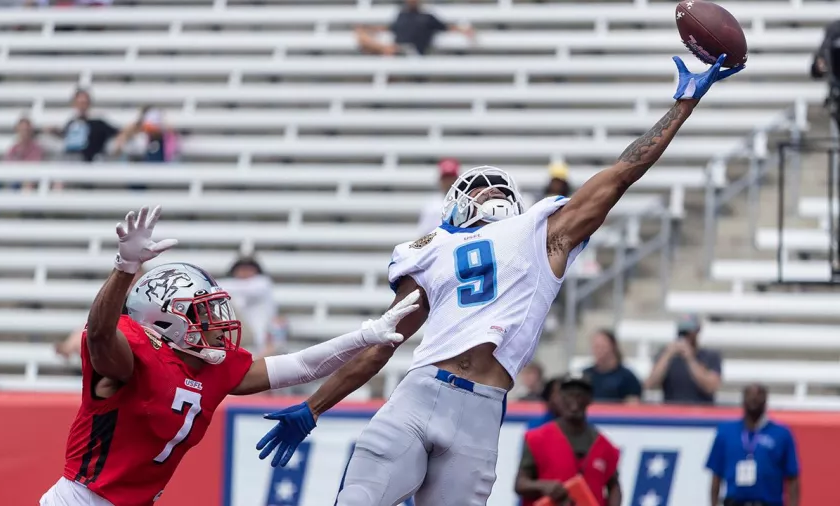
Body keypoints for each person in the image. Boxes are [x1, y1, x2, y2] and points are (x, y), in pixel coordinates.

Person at [256, 54, 744, 506]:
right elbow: (383, 340)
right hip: (426, 394)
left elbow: (620, 176)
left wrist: (684, 104)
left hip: (475, 410)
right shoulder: (479, 242)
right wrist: (313, 407)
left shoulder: (530, 234)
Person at [39, 205, 421, 506]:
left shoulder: (212, 368)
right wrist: (125, 269)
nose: (217, 322)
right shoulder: (133, 352)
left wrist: (365, 334)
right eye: (202, 312)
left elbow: (302, 365)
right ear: (165, 319)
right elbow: (101, 335)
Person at [515, 374, 621, 506]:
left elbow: (614, 486)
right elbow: (520, 484)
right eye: (569, 394)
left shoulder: (604, 445)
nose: (574, 400)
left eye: (579, 395)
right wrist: (544, 487)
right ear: (559, 399)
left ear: (589, 399)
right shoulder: (537, 439)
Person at [705, 384, 800, 506]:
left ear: (765, 400)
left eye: (758, 395)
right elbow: (716, 476)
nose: (754, 399)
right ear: (743, 399)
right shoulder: (726, 432)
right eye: (749, 395)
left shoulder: (781, 434)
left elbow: (793, 478)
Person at [645, 314, 722, 405]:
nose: (686, 337)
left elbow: (711, 387)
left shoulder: (710, 356)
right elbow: (650, 384)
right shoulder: (666, 356)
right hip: (673, 411)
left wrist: (690, 359)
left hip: (702, 412)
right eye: (683, 333)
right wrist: (667, 355)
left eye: (689, 333)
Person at [354, 0, 474, 56]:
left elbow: (446, 27)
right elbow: (390, 28)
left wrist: (463, 30)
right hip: (397, 50)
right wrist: (369, 28)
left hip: (411, 51)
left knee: (389, 51)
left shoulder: (427, 17)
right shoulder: (402, 15)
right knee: (362, 36)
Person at [218, 256, 278, 359]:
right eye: (241, 269)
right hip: (240, 340)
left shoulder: (262, 283)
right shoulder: (233, 290)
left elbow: (246, 287)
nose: (245, 272)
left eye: (249, 268)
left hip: (259, 341)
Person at [582, 329, 642, 403]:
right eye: (595, 347)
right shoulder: (585, 376)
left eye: (602, 347)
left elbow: (633, 405)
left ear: (612, 347)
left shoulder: (627, 377)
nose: (598, 351)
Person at [415, 157, 461, 237]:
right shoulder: (431, 206)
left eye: (451, 178)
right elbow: (423, 234)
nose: (449, 182)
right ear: (440, 180)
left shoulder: (466, 202)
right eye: (445, 178)